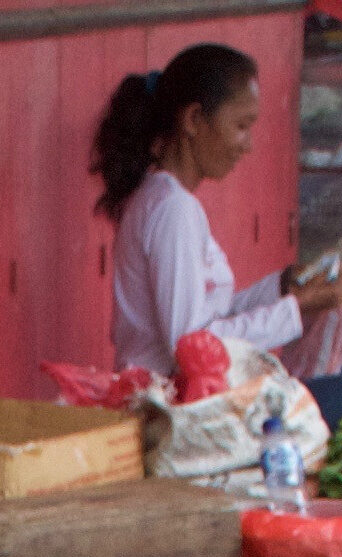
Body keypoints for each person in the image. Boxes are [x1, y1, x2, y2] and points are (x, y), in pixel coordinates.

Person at [100, 44, 310, 378]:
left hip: (169, 398)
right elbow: (190, 346)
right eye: (241, 126)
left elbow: (211, 319)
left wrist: (281, 288)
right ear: (194, 119)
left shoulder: (164, 198)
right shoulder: (173, 209)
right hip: (167, 411)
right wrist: (296, 309)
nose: (248, 144)